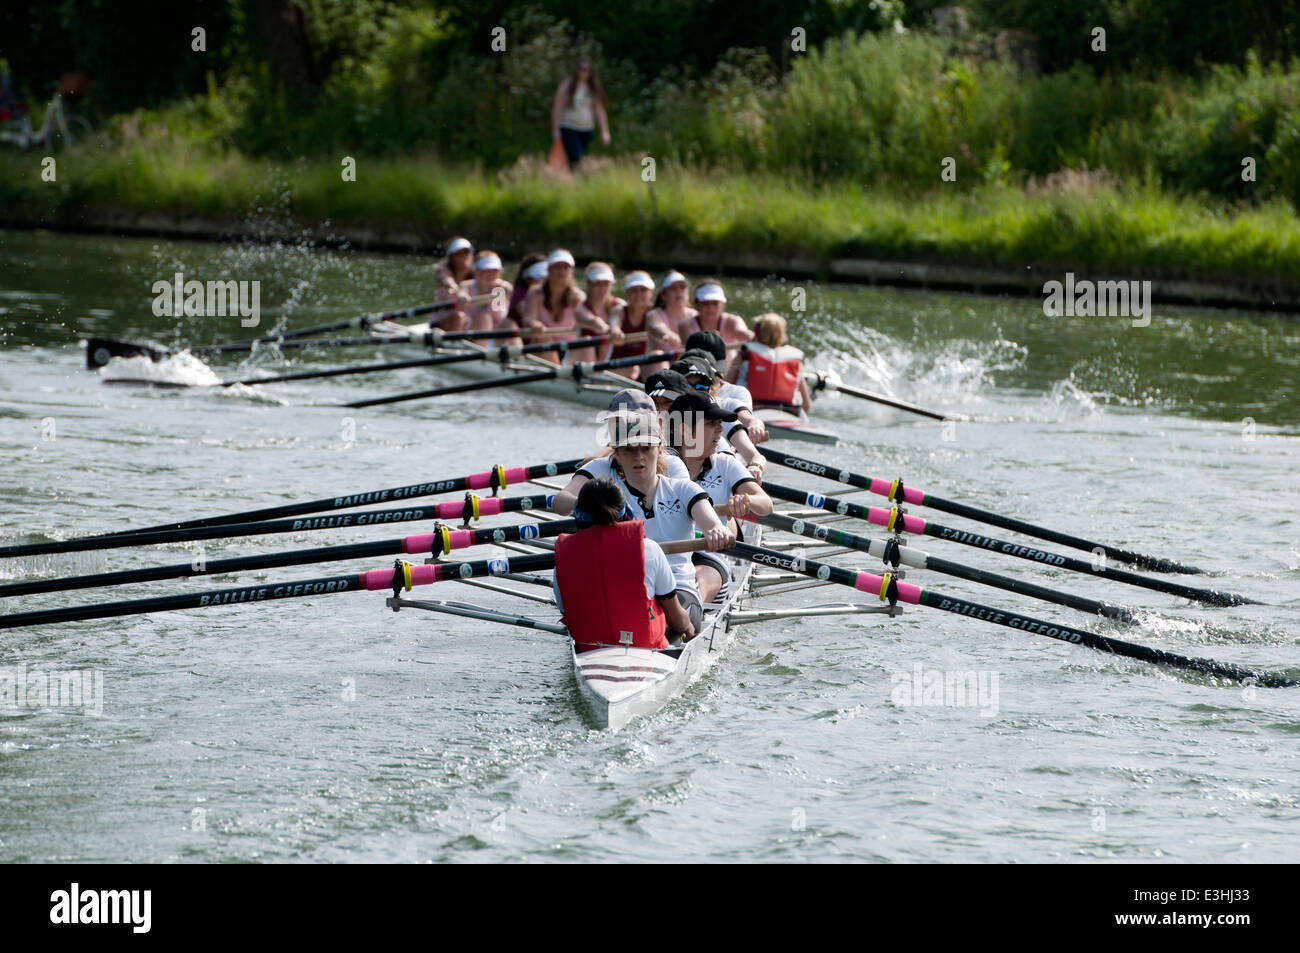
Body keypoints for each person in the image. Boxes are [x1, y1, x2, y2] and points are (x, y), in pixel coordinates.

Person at [551, 411, 734, 634]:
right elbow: (560, 503)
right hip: (626, 587)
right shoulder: (610, 496)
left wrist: (716, 532)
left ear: (659, 450)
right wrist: (590, 506)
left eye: (646, 448)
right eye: (629, 449)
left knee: (663, 626)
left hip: (679, 589)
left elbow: (711, 522)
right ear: (616, 455)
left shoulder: (683, 489)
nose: (638, 457)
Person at [554, 477, 693, 649]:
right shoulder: (648, 549)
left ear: (578, 514)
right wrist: (688, 627)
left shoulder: (563, 555)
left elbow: (566, 611)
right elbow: (676, 620)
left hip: (588, 650)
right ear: (625, 511)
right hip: (645, 652)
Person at [665, 392, 773, 603]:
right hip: (665, 555)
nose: (720, 429)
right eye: (711, 423)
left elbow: (766, 505)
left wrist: (747, 501)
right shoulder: (660, 463)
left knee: (697, 579)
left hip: (709, 556)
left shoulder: (724, 464)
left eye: (720, 423)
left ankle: (687, 609)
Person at [670, 353, 768, 479]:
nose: (694, 391)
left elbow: (756, 456)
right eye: (688, 386)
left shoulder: (720, 417)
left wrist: (755, 466)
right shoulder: (661, 416)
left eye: (701, 387)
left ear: (711, 389)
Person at [685, 329, 768, 445]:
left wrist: (755, 426)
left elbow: (748, 420)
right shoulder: (676, 389)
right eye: (692, 382)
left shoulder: (736, 394)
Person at [727, 312, 812, 414]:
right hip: (788, 412)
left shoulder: (745, 354)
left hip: (750, 410)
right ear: (782, 333)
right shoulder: (794, 359)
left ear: (758, 332)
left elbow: (727, 385)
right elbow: (807, 405)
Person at [607, 270, 679, 379]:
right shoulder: (619, 310)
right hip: (618, 369)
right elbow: (614, 324)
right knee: (633, 369)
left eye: (643, 290)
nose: (639, 294)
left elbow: (658, 327)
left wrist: (666, 335)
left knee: (657, 356)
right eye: (634, 290)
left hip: (645, 370)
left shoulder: (656, 313)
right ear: (627, 292)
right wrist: (615, 331)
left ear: (651, 293)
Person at [524, 249, 586, 362]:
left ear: (571, 272)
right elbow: (528, 318)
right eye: (557, 267)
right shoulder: (535, 293)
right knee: (541, 338)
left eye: (565, 268)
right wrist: (534, 324)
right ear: (549, 270)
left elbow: (585, 326)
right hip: (543, 347)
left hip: (569, 351)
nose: (561, 272)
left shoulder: (578, 297)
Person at [551, 57, 611, 171]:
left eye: (587, 69)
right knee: (577, 158)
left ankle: (572, 181)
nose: (584, 72)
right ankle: (578, 182)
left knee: (579, 158)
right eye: (582, 69)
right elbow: (557, 108)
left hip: (587, 129)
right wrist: (556, 129)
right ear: (577, 70)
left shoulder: (592, 87)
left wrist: (605, 131)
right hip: (569, 127)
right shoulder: (567, 85)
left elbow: (599, 110)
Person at [677, 278, 754, 345]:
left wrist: (755, 338)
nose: (710, 308)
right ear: (696, 304)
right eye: (705, 303)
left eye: (715, 303)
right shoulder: (686, 325)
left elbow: (743, 333)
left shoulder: (733, 322)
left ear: (722, 305)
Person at [459, 251, 512, 345]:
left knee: (510, 324)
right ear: (477, 271)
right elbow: (461, 293)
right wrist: (462, 297)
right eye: (486, 270)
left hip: (497, 337)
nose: (491, 274)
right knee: (484, 318)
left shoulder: (502, 288)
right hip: (472, 335)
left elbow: (510, 289)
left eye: (494, 270)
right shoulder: (467, 286)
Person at [431, 237, 474, 330]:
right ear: (451, 257)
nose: (463, 256)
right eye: (458, 253)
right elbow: (447, 281)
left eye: (466, 252)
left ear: (471, 255)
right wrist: (458, 293)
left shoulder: (477, 274)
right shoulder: (442, 270)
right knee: (459, 317)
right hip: (440, 323)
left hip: (466, 321)